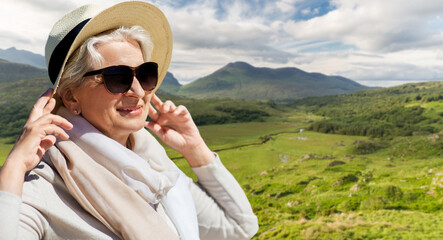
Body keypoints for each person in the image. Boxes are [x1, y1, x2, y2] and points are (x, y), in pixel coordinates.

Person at [0, 1, 258, 239]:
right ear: (71, 97)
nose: (137, 91)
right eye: (118, 78)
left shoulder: (157, 168)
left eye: (145, 74)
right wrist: (13, 169)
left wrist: (195, 149)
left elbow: (239, 227)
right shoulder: (43, 187)